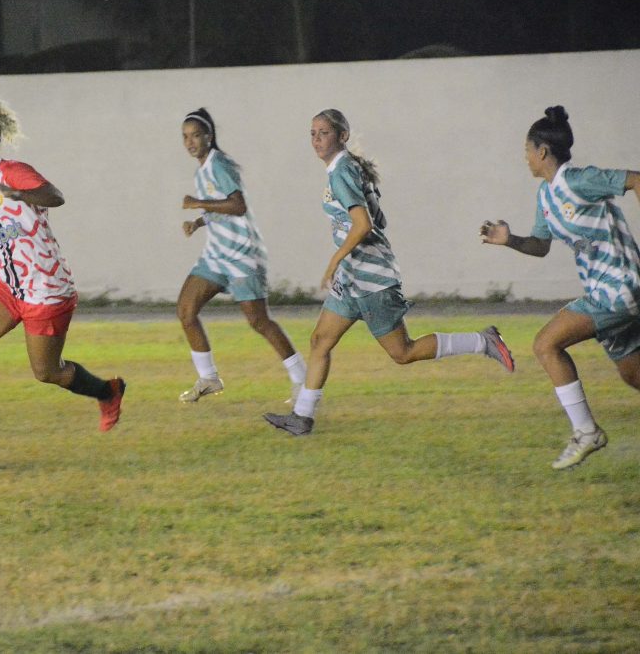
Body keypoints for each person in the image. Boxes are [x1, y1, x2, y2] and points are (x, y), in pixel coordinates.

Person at [264, 109, 515, 436]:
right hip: (353, 279)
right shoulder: (347, 169)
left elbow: (364, 224)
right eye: (312, 133)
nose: (316, 139)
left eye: (323, 133)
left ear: (342, 136)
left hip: (372, 278)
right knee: (320, 340)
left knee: (403, 352)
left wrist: (335, 258)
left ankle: (483, 341)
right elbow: (379, 220)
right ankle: (302, 417)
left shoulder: (342, 171)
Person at [0, 96, 125, 464]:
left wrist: (20, 194)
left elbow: (55, 196)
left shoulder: (12, 172)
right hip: (8, 285)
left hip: (45, 288)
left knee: (47, 372)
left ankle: (107, 392)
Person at [480, 106, 640, 470]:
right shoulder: (546, 196)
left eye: (526, 150)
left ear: (542, 152)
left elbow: (636, 179)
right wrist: (509, 240)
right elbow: (541, 245)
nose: (524, 158)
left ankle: (586, 433)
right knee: (633, 373)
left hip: (618, 288)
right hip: (607, 291)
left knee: (545, 344)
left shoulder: (579, 180)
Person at [177, 107, 307, 403]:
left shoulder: (219, 164)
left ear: (209, 137)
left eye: (196, 135)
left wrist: (197, 203)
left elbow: (238, 206)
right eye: (185, 137)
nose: (190, 142)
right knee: (186, 310)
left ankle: (302, 379)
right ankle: (208, 378)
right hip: (216, 255)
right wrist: (198, 222)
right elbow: (218, 207)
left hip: (241, 254)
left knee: (259, 321)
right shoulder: (202, 170)